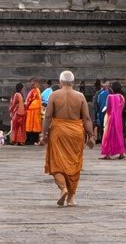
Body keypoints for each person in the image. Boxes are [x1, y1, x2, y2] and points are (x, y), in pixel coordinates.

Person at [39, 69, 94, 207]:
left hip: (58, 132)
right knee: (74, 164)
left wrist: (43, 134)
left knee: (57, 163)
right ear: (73, 82)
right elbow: (86, 118)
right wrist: (91, 135)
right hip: (76, 132)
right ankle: (70, 198)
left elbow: (48, 117)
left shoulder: (54, 95)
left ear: (60, 82)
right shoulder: (80, 96)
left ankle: (63, 188)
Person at [99, 80, 126, 159]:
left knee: (109, 135)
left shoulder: (110, 97)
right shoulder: (122, 97)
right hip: (119, 118)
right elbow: (122, 108)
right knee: (119, 135)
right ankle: (121, 153)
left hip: (111, 118)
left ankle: (107, 154)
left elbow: (108, 109)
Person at [23, 79, 43, 146]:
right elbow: (29, 100)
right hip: (33, 109)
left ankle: (31, 140)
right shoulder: (35, 91)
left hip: (33, 109)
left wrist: (26, 106)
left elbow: (28, 100)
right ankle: (32, 139)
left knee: (32, 125)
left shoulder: (35, 91)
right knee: (33, 125)